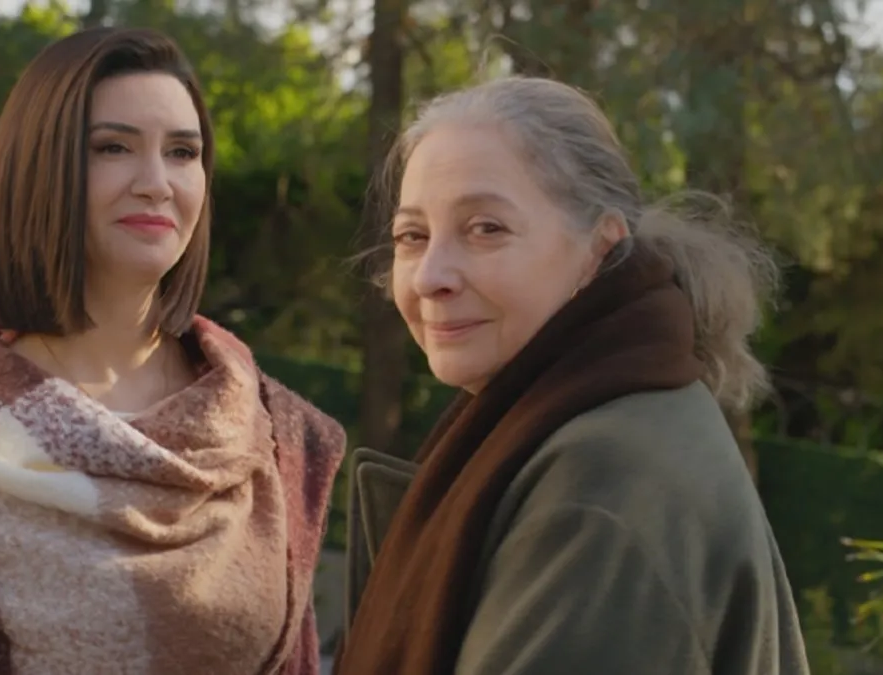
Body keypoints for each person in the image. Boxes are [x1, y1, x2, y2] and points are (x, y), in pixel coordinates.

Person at [0, 27, 345, 675]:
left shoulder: (270, 431)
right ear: (41, 169)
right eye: (113, 147)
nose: (156, 183)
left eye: (182, 152)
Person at [336, 76, 811, 675]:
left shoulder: (605, 484)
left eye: (486, 229)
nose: (431, 276)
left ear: (600, 250)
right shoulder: (570, 423)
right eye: (413, 236)